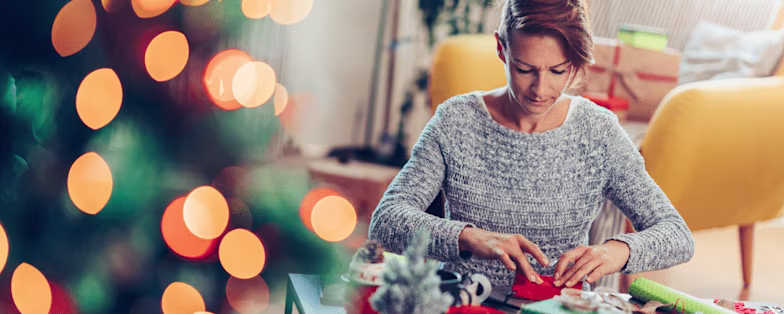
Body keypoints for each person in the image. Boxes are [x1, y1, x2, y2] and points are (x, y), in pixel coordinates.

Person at [368, 0, 695, 290]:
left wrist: (616, 251)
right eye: (525, 69)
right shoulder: (456, 120)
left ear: (575, 62)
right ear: (502, 49)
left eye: (557, 70)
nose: (540, 89)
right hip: (465, 302)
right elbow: (386, 221)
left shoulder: (598, 132)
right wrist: (469, 237)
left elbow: (676, 235)